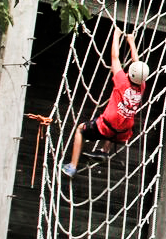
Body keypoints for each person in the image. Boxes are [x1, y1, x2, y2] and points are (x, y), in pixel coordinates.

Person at [62, 27, 148, 176]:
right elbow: (137, 63)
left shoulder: (122, 80)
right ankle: (104, 151)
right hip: (123, 132)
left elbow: (115, 57)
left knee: (80, 130)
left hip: (107, 126)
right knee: (117, 124)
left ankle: (72, 166)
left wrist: (116, 35)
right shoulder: (142, 86)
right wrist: (131, 41)